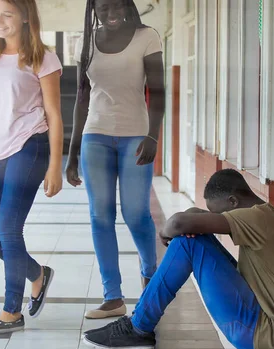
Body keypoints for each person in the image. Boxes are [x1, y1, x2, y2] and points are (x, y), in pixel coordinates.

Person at [83, 169, 274, 349]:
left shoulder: (257, 219)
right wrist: (191, 222)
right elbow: (193, 218)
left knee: (187, 243)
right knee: (195, 237)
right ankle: (139, 321)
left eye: (219, 213)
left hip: (260, 332)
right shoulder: (271, 215)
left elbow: (178, 224)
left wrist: (167, 231)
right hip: (265, 324)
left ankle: (138, 326)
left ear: (233, 201)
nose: (217, 217)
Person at [0, 0, 63, 335]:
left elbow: (54, 114)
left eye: (7, 14)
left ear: (24, 17)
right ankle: (38, 274)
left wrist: (54, 165)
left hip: (28, 146)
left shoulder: (42, 58)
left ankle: (11, 311)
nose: (0, 20)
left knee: (8, 229)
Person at [65, 0, 165, 320]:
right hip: (96, 135)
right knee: (100, 216)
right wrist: (72, 152)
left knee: (136, 214)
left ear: (127, 6)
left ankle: (150, 276)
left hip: (136, 136)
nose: (111, 15)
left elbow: (159, 91)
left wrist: (153, 136)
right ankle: (113, 296)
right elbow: (82, 96)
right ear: (95, 9)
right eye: (104, 8)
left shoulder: (146, 37)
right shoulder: (86, 41)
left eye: (117, 7)